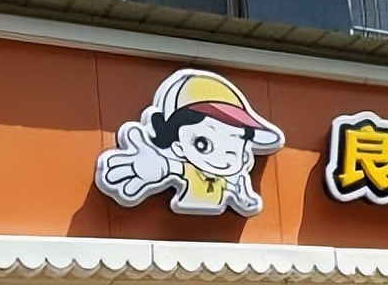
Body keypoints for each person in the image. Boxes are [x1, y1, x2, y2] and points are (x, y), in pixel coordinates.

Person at [96, 70, 284, 217]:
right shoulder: (181, 169)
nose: (223, 157)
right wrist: (152, 167)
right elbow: (168, 168)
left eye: (234, 147)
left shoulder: (231, 182)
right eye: (203, 143)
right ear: (177, 146)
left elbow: (239, 194)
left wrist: (243, 198)